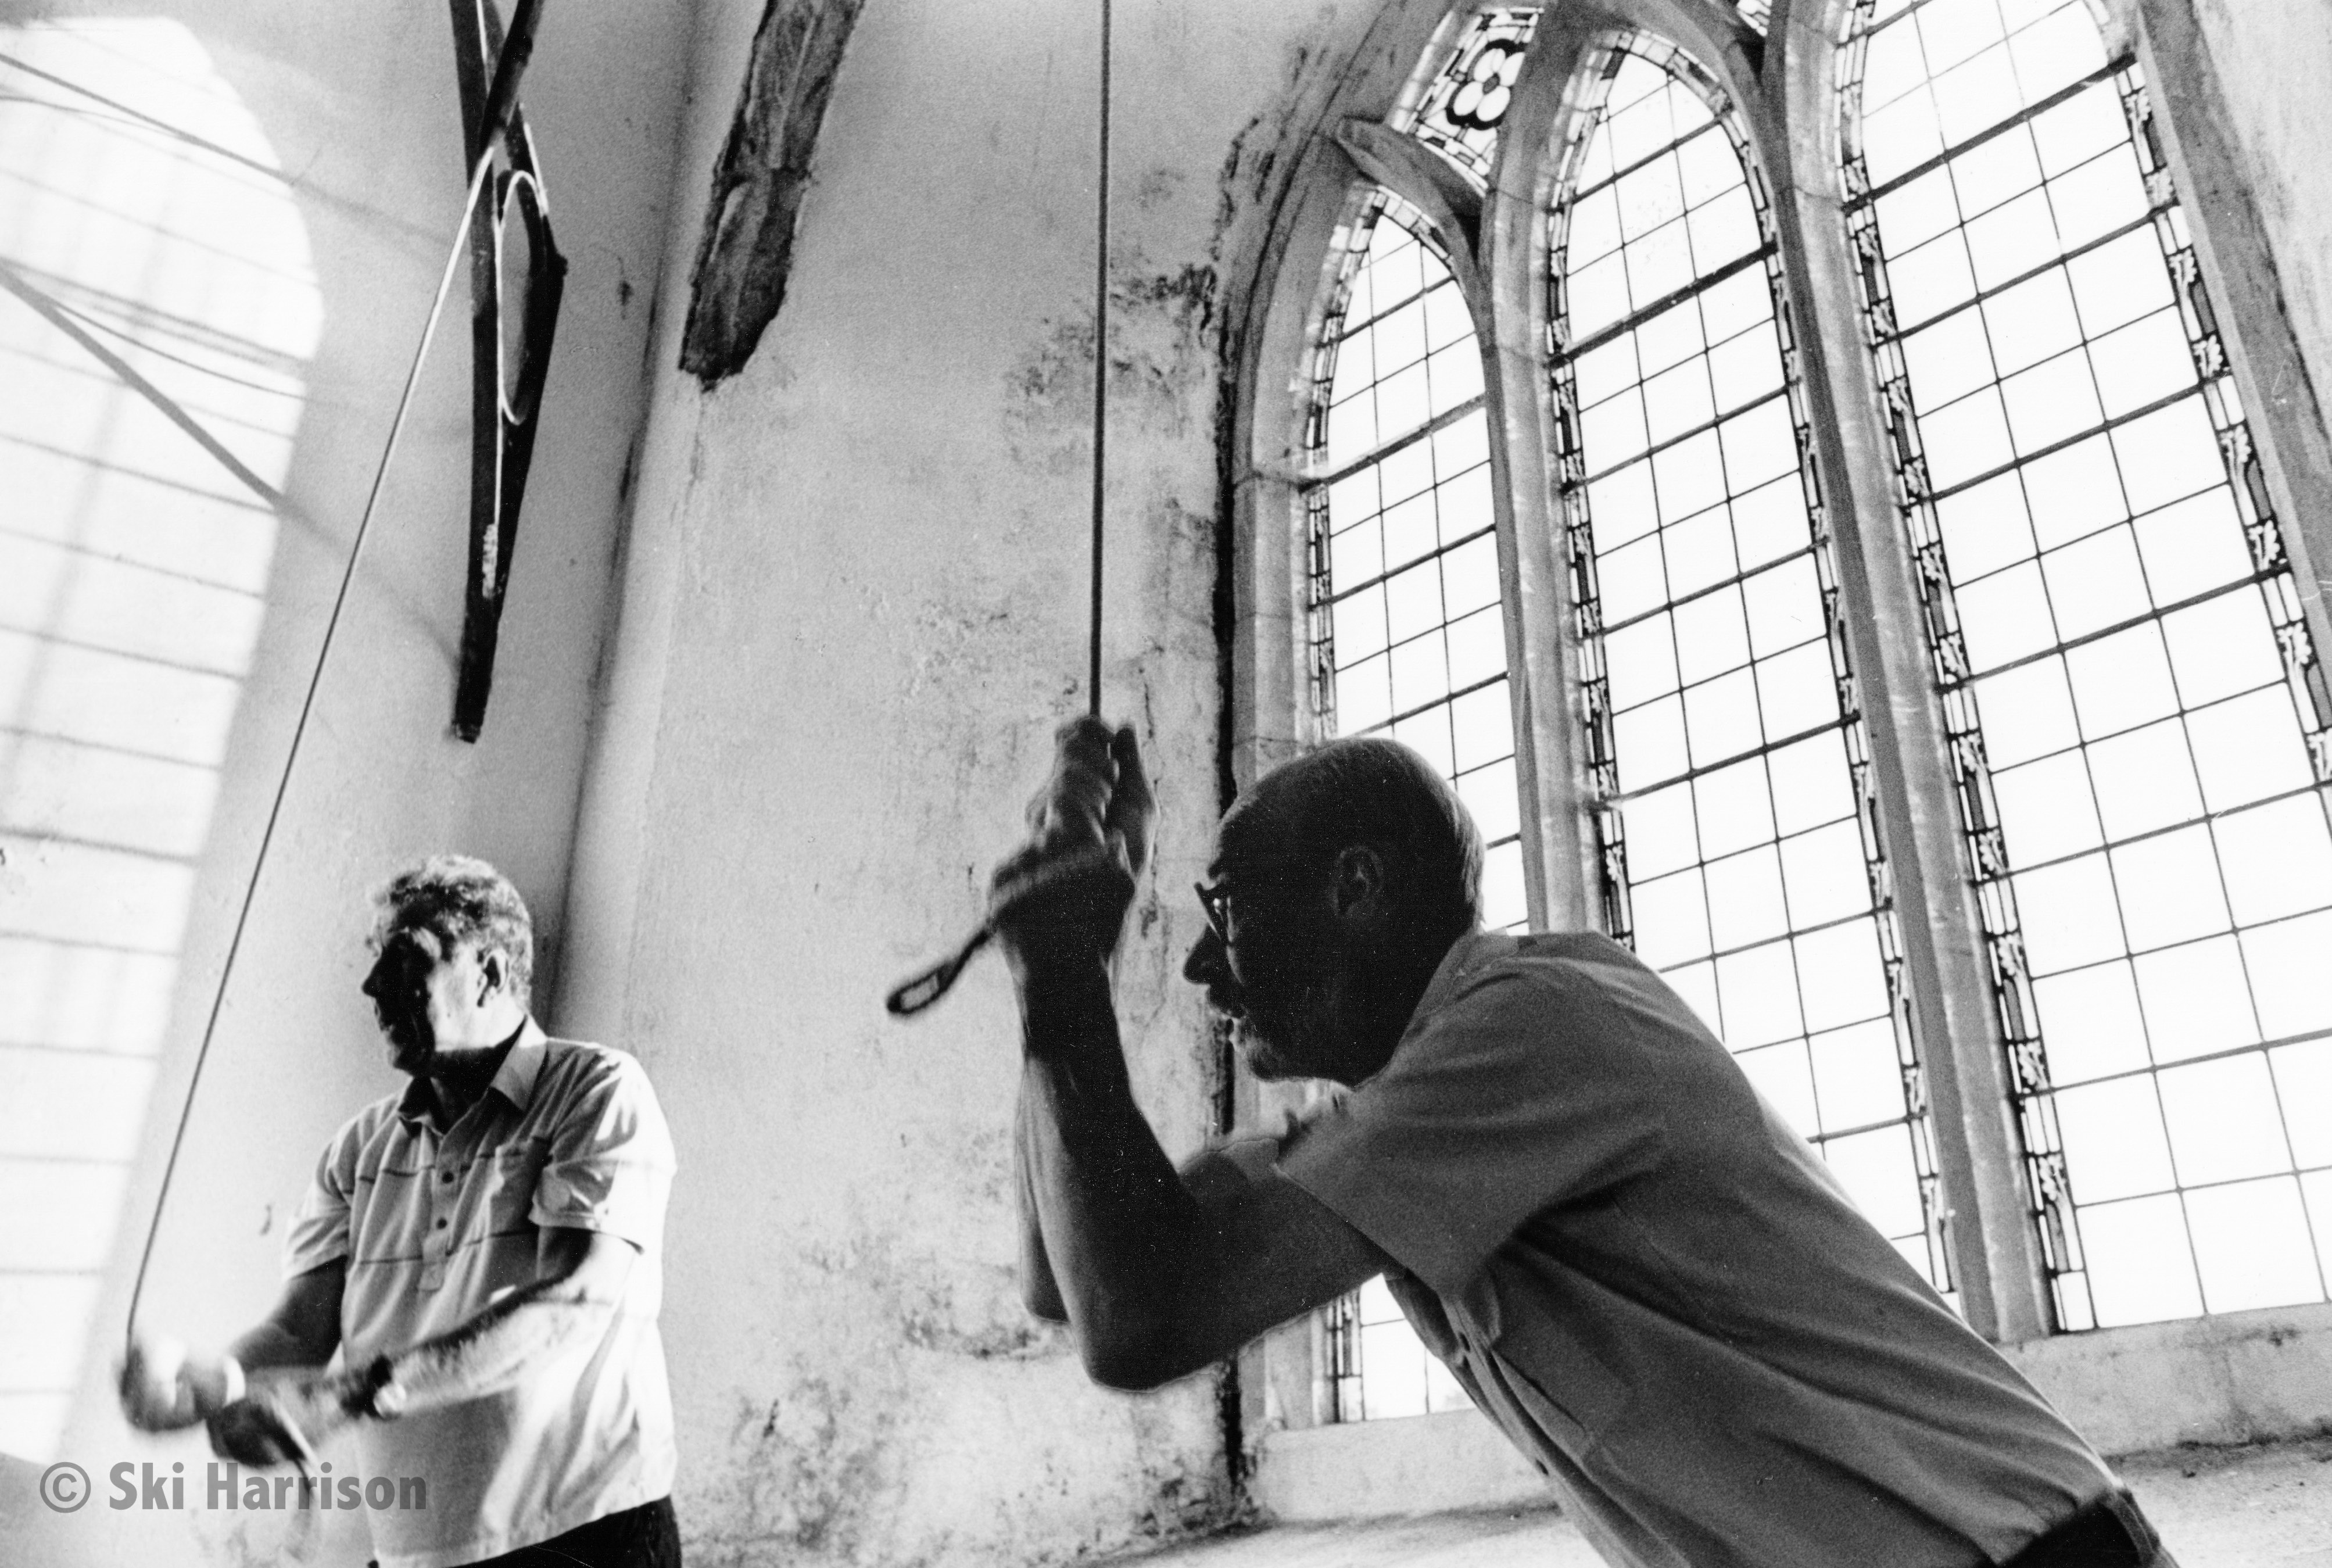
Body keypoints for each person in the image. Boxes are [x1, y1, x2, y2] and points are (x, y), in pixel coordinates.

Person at [996, 716, 2179, 1568]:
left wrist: (1057, 969)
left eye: (1224, 911)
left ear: (1353, 884)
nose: (1203, 964)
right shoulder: (1386, 1117)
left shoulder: (1531, 1019)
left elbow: (1142, 1315)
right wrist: (1057, 965)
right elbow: (1076, 1279)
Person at [119, 855, 681, 1568]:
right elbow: (300, 1328)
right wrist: (220, 1383)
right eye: (375, 964)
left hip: (579, 1533)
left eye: (406, 961)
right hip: (422, 1550)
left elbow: (573, 1301)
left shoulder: (595, 1088)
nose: (373, 987)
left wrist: (339, 1400)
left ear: (488, 972)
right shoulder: (358, 1148)